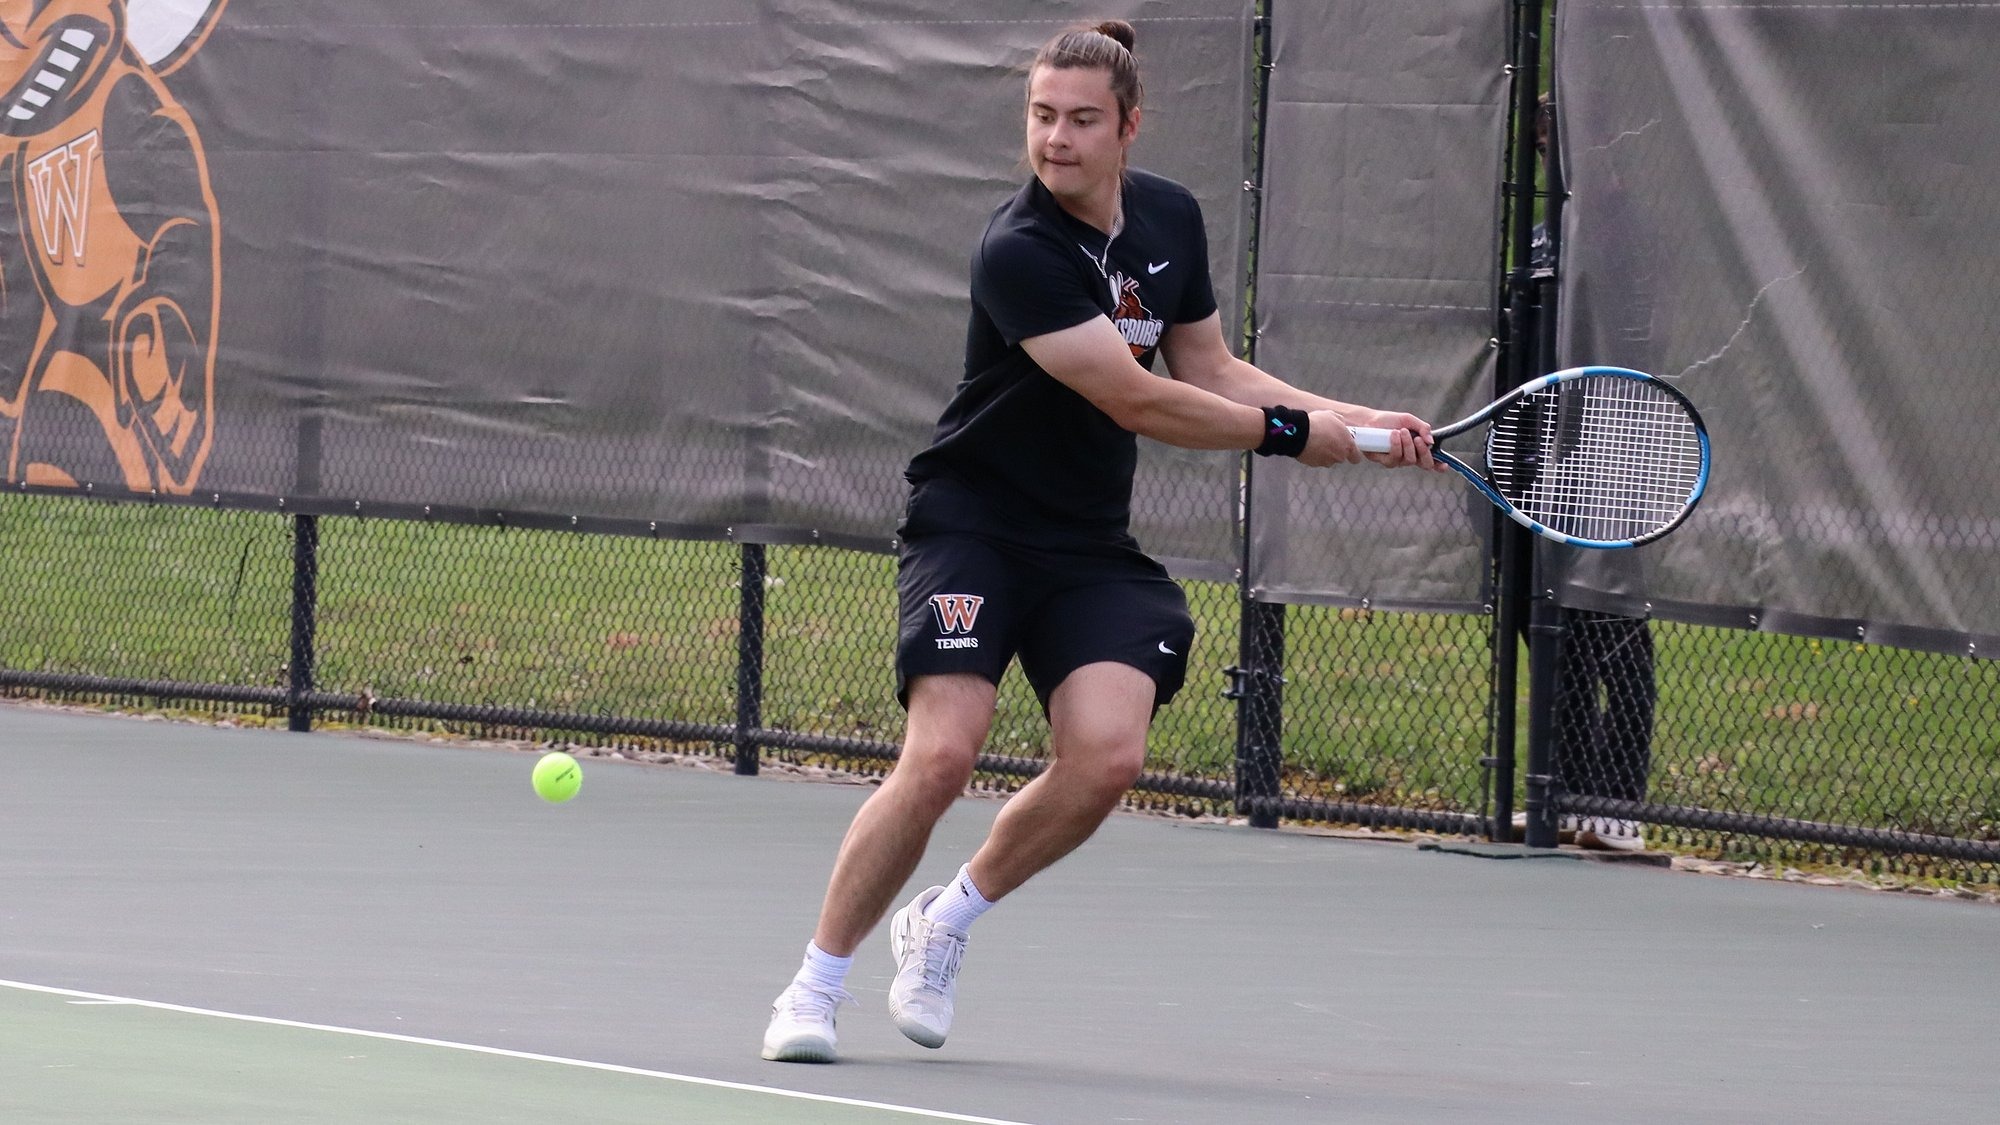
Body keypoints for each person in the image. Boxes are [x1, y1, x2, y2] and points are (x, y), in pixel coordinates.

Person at [759, 20, 1441, 1064]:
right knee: (941, 756)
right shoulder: (1018, 250)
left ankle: (944, 921)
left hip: (1085, 544)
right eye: (1041, 116)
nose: (1055, 139)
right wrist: (1297, 436)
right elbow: (1134, 398)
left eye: (1081, 120)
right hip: (974, 524)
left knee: (1108, 756)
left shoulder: (1169, 216)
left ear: (1128, 127)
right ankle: (813, 985)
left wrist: (1356, 421)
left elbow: (1210, 369)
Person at [1529, 93, 1657, 853]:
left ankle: (1617, 808)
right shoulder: (1540, 238)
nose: (1556, 158)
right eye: (1546, 145)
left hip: (1614, 456)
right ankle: (1567, 799)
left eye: (1568, 141)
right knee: (1556, 628)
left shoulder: (1629, 235)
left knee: (1615, 627)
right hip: (1542, 463)